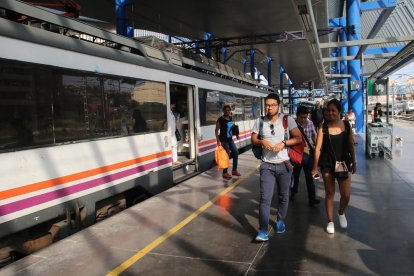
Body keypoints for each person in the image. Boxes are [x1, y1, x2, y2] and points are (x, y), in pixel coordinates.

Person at [251, 93, 302, 241]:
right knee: (265, 198)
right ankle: (263, 230)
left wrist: (284, 144)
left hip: (284, 165)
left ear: (279, 105)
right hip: (267, 165)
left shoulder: (287, 120)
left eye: (272, 105)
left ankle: (280, 221)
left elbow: (298, 138)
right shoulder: (260, 121)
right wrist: (262, 142)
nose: (269, 108)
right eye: (267, 105)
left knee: (283, 196)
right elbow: (253, 138)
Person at [311, 99, 357, 234]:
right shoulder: (323, 127)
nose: (330, 113)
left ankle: (341, 212)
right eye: (328, 110)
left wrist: (354, 162)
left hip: (343, 163)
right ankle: (330, 221)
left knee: (346, 194)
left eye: (333, 110)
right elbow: (318, 148)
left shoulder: (346, 125)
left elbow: (350, 146)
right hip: (327, 163)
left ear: (339, 112)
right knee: (330, 193)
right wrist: (315, 166)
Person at [290, 106, 320, 206]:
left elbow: (314, 137)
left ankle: (312, 199)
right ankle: (293, 192)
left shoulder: (310, 123)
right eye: (301, 117)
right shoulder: (292, 125)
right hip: (297, 154)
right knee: (295, 175)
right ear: (297, 116)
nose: (303, 119)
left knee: (310, 177)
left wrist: (317, 149)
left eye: (305, 117)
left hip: (308, 154)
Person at [215, 105, 240, 179]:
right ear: (223, 111)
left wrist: (237, 135)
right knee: (227, 155)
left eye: (228, 110)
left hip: (230, 139)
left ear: (230, 111)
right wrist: (218, 140)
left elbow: (232, 128)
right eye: (226, 110)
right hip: (223, 140)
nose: (227, 111)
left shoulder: (231, 118)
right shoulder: (220, 119)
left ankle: (234, 170)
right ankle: (225, 172)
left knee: (236, 152)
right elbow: (216, 130)